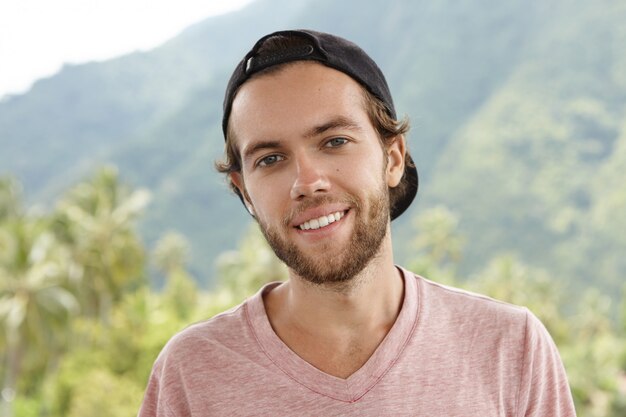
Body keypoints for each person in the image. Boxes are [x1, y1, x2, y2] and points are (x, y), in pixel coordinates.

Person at [138, 29, 576, 416]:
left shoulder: (509, 347)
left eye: (334, 141)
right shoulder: (193, 373)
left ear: (393, 158)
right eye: (271, 159)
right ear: (244, 191)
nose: (307, 183)